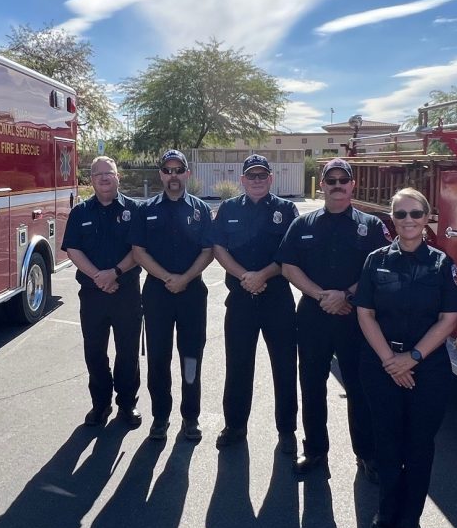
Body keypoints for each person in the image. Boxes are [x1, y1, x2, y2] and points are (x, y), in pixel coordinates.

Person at [354, 187, 457, 528]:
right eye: (401, 215)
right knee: (386, 441)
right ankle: (385, 513)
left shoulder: (442, 264)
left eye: (416, 214)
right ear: (392, 219)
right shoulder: (375, 260)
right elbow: (365, 314)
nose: (409, 221)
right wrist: (390, 360)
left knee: (418, 445)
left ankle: (409, 518)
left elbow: (449, 319)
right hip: (382, 365)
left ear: (427, 217)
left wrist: (412, 358)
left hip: (427, 368)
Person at [277, 157, 388, 476]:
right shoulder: (303, 225)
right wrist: (321, 295)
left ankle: (367, 454)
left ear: (353, 185)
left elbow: (379, 268)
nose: (337, 185)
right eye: (331, 180)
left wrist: (346, 295)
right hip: (314, 316)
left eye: (343, 180)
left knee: (360, 387)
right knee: (312, 385)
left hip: (357, 318)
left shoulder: (372, 226)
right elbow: (288, 266)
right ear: (322, 184)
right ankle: (314, 451)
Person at [210, 154, 300, 455]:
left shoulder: (286, 209)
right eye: (252, 176)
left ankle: (287, 430)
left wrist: (262, 275)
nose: (257, 180)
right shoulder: (229, 208)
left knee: (285, 367)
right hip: (240, 300)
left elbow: (290, 252)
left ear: (271, 179)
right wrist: (244, 276)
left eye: (263, 175)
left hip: (277, 300)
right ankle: (234, 426)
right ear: (242, 180)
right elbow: (218, 248)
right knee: (238, 366)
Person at [131, 149, 214, 441]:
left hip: (192, 293)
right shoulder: (146, 209)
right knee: (158, 357)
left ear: (187, 173)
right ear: (161, 175)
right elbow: (138, 251)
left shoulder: (200, 210)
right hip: (157, 293)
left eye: (179, 170)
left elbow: (208, 251)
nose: (174, 175)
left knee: (191, 356)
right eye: (168, 170)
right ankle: (160, 417)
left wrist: (185, 278)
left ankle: (190, 418)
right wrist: (167, 278)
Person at [60, 156, 143, 428]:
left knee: (127, 352)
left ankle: (127, 406)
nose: (104, 178)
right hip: (93, 294)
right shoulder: (80, 212)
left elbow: (139, 251)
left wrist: (114, 273)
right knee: (95, 352)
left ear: (118, 177)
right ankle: (100, 404)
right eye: (98, 174)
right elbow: (73, 249)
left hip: (126, 293)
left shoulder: (134, 210)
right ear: (91, 179)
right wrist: (99, 277)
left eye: (109, 173)